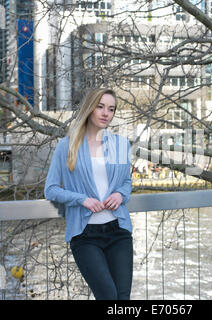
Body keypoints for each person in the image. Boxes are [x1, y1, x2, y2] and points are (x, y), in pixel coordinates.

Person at [44, 88, 133, 300]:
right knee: (108, 296)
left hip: (118, 230)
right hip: (85, 236)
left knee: (123, 299)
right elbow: (51, 189)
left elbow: (127, 182)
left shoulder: (120, 144)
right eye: (100, 107)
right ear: (89, 108)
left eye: (111, 109)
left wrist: (120, 195)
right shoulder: (67, 145)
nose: (106, 113)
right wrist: (81, 199)